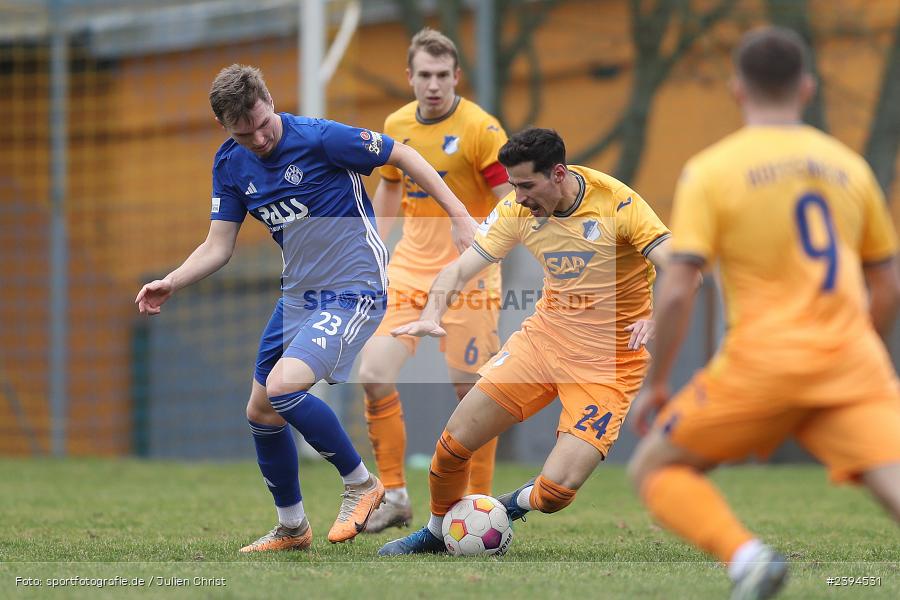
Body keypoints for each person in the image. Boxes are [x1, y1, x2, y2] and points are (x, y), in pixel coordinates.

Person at [134, 64, 477, 552]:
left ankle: (362, 484)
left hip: (354, 286)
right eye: (243, 132)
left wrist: (459, 215)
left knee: (283, 387)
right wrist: (172, 281)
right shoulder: (230, 163)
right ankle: (292, 527)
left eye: (262, 124)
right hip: (298, 295)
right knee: (261, 410)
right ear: (225, 128)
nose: (257, 138)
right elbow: (218, 244)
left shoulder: (319, 138)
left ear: (270, 100)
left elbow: (400, 154)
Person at [627, 27, 900, 600]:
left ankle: (747, 559)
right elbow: (889, 283)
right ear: (806, 88)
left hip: (762, 367)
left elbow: (678, 290)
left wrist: (657, 384)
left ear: (737, 91)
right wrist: (853, 348)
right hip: (851, 366)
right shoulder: (850, 166)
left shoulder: (713, 169)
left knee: (654, 469)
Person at [377, 127, 672, 555]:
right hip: (544, 341)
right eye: (513, 185)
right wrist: (430, 314)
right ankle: (437, 531)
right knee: (454, 441)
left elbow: (682, 268)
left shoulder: (618, 205)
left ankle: (503, 507)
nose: (518, 197)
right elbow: (459, 270)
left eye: (527, 185)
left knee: (556, 492)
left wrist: (657, 316)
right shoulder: (516, 210)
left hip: (609, 364)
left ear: (558, 174)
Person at [358, 27, 513, 533]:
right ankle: (395, 495)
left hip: (470, 276)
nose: (433, 85)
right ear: (409, 77)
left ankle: (481, 505)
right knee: (373, 372)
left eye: (442, 75)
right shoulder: (396, 124)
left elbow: (514, 199)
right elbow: (388, 191)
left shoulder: (482, 130)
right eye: (424, 75)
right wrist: (375, 250)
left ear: (456, 77)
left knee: (473, 396)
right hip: (408, 271)